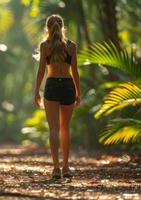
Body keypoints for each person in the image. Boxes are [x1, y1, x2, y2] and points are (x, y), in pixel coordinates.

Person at [34, 14, 81, 179]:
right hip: (68, 86)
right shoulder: (72, 46)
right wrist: (78, 92)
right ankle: (66, 167)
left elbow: (41, 71)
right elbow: (74, 72)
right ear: (62, 27)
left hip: (52, 86)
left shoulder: (44, 46)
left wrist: (36, 91)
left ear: (47, 28)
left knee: (53, 128)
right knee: (65, 128)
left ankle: (55, 169)